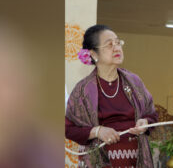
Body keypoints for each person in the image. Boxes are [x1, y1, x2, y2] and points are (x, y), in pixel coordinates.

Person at [65, 25, 158, 167]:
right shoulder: (82, 90)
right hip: (99, 162)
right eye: (109, 45)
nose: (116, 48)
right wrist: (97, 131)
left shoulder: (134, 82)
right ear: (94, 54)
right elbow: (68, 128)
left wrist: (145, 122)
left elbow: (152, 114)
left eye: (118, 42)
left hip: (137, 161)